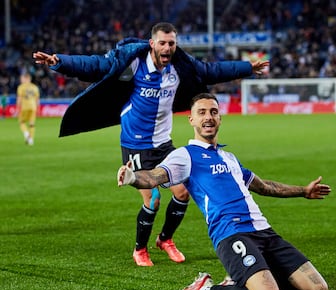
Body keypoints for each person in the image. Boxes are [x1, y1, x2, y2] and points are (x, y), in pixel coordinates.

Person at [33, 22, 269, 267]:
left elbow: (210, 70)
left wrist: (246, 68)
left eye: (172, 43)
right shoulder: (133, 63)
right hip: (135, 145)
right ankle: (140, 249)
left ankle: (165, 239)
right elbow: (95, 65)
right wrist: (58, 61)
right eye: (163, 43)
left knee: (182, 192)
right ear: (152, 43)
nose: (168, 48)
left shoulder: (179, 67)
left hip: (163, 143)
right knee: (153, 199)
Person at [117, 92, 331, 290]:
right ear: (191, 119)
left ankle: (247, 279)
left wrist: (304, 190)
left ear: (220, 118)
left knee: (317, 289)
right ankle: (206, 289)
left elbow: (264, 186)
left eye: (213, 112)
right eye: (201, 113)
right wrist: (133, 177)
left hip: (265, 231)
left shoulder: (229, 158)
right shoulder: (186, 155)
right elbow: (155, 176)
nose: (208, 117)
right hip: (231, 234)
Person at [16, 73, 40, 145]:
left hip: (25, 107)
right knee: (32, 124)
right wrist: (38, 108)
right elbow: (37, 99)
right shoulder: (35, 87)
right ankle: (31, 140)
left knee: (21, 122)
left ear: (26, 78)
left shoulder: (21, 87)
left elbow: (19, 98)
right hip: (33, 107)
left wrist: (17, 107)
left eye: (22, 78)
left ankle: (26, 135)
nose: (21, 80)